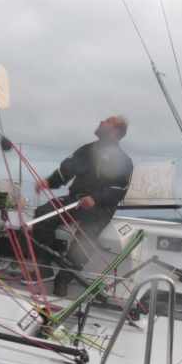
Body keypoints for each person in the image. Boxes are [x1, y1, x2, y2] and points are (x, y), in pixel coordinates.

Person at [32, 115, 133, 290]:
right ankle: (44, 268)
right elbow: (67, 170)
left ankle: (63, 279)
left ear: (116, 131)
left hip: (101, 207)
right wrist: (49, 182)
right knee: (42, 215)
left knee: (85, 239)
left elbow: (119, 189)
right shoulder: (86, 150)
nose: (101, 122)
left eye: (107, 121)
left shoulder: (124, 161)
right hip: (75, 199)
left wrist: (95, 198)